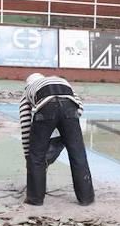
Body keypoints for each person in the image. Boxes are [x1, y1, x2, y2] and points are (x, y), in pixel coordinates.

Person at [19, 73, 94, 206]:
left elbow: (25, 125)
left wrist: (29, 156)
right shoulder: (61, 81)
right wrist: (67, 127)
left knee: (37, 156)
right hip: (70, 108)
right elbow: (79, 106)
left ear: (27, 85)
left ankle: (35, 199)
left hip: (45, 108)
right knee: (78, 154)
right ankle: (86, 198)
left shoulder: (28, 91)